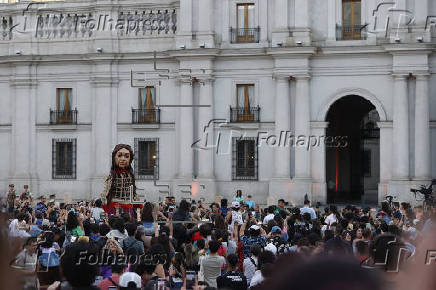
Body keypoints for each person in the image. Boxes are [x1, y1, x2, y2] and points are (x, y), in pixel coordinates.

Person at [101, 144, 141, 216]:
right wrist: (105, 205)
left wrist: (138, 205)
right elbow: (105, 192)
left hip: (128, 207)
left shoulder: (130, 175)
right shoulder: (112, 175)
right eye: (119, 156)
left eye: (126, 156)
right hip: (114, 207)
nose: (123, 159)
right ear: (114, 158)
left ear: (130, 159)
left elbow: (133, 192)